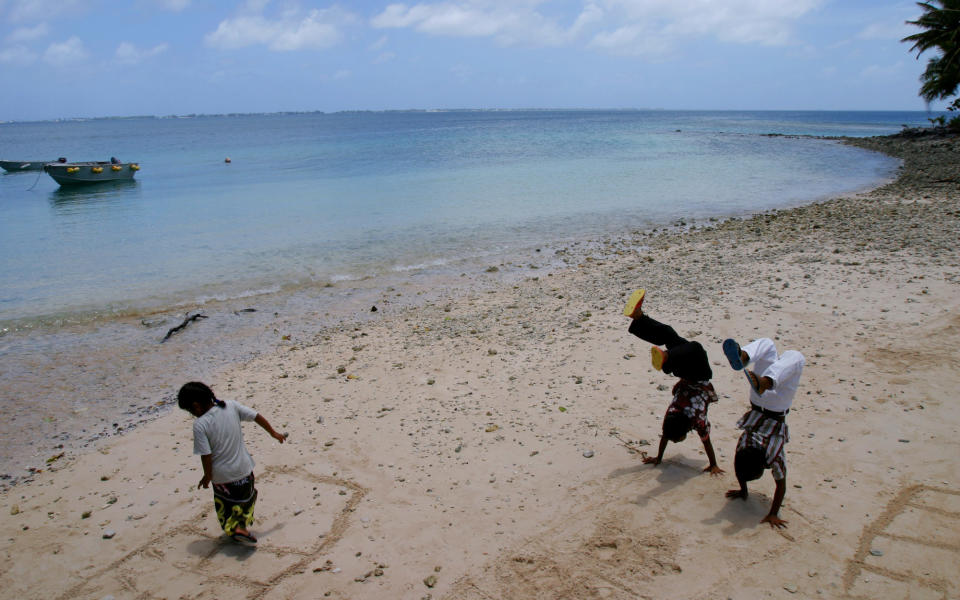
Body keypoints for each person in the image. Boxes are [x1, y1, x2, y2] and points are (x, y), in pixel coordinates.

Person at [624, 289, 723, 476]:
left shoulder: (675, 417)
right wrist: (714, 464)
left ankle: (642, 322)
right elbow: (704, 442)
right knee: (681, 341)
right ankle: (641, 321)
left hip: (683, 369)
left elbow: (667, 436)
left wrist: (659, 458)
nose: (676, 441)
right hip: (689, 371)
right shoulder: (693, 419)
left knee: (683, 342)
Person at [178, 381, 286, 544]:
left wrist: (207, 476)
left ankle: (237, 529)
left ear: (196, 406)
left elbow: (206, 455)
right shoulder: (230, 406)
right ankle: (240, 526)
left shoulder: (200, 425)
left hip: (223, 477)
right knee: (245, 500)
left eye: (189, 411)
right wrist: (273, 433)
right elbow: (256, 416)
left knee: (226, 505)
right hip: (245, 470)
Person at [722, 338, 805, 529]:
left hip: (776, 406)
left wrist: (773, 513)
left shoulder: (773, 455)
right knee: (770, 346)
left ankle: (765, 379)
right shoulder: (744, 446)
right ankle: (745, 356)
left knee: (795, 357)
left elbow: (780, 485)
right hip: (756, 398)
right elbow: (739, 468)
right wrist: (744, 490)